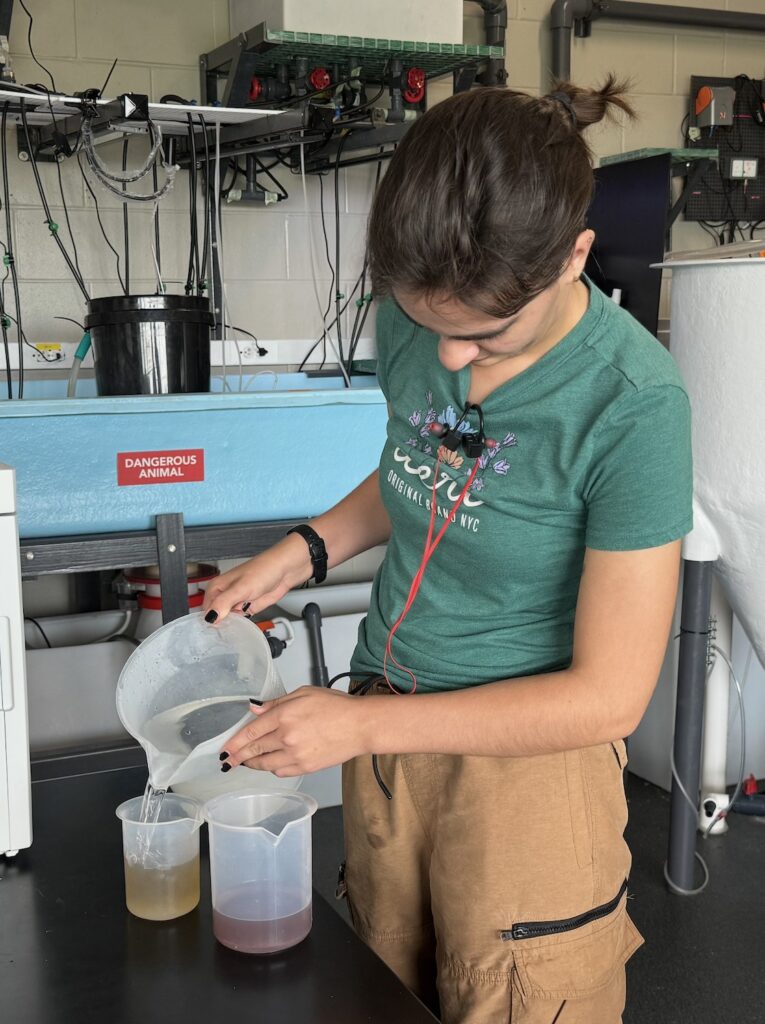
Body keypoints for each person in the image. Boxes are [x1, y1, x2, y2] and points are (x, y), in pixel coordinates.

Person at [202, 77, 693, 1024]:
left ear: (574, 256)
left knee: (512, 999)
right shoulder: (417, 316)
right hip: (386, 737)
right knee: (382, 987)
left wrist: (355, 729)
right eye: (433, 328)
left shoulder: (632, 405)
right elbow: (418, 463)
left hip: (525, 769)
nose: (453, 359)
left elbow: (608, 696)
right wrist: (304, 550)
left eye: (488, 332)